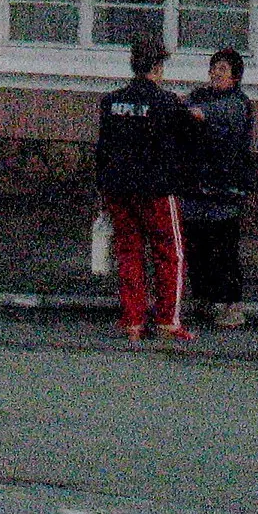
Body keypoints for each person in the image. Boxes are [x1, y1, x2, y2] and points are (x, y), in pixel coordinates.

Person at [94, 31, 194, 342]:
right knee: (169, 253)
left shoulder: (111, 102)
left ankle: (132, 320)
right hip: (156, 189)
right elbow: (186, 138)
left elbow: (104, 148)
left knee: (129, 252)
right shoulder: (167, 102)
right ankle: (167, 320)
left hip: (118, 187)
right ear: (158, 66)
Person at [181, 46, 253, 327]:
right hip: (197, 189)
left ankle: (231, 304)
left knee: (224, 251)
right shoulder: (201, 95)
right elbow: (185, 107)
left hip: (224, 192)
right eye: (213, 68)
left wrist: (180, 108)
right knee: (197, 249)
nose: (215, 74)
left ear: (235, 76)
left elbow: (197, 114)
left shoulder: (236, 103)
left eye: (222, 70)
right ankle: (203, 300)